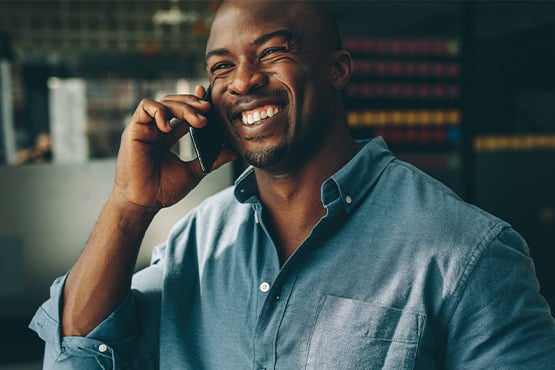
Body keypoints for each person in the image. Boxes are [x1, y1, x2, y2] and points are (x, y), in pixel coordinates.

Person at [30, 1, 555, 369]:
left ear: (338, 70)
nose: (242, 81)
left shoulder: (467, 252)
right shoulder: (194, 245)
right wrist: (129, 205)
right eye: (221, 67)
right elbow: (77, 355)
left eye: (271, 52)